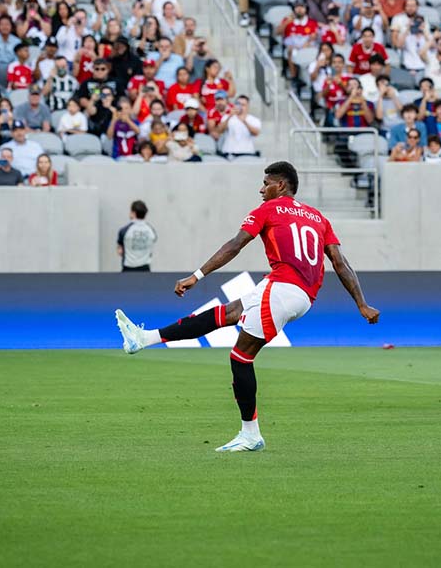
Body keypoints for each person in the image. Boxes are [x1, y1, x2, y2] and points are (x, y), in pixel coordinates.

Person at [114, 161, 380, 452]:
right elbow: (340, 264)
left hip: (280, 290)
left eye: (266, 182)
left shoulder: (268, 209)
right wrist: (362, 304)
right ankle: (145, 338)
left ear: (281, 185)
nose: (261, 188)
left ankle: (250, 434)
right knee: (226, 314)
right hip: (299, 295)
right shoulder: (318, 218)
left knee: (241, 357)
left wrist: (197, 275)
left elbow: (235, 245)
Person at [117, 200, 158, 272]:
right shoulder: (151, 231)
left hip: (128, 270)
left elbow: (120, 251)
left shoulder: (124, 230)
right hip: (145, 269)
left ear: (133, 213)